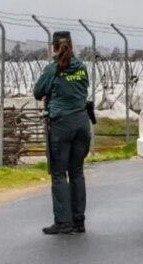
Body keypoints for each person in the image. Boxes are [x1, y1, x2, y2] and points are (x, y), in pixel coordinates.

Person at [33, 31, 91, 235]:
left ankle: (63, 221)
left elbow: (37, 92)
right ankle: (79, 220)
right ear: (72, 46)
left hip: (61, 125)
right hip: (82, 123)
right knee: (77, 171)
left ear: (54, 47)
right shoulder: (82, 68)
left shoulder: (53, 70)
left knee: (59, 173)